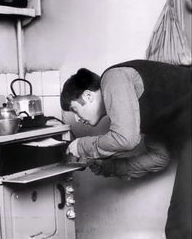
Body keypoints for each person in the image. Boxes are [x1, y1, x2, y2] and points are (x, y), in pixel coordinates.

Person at [60, 59, 191, 239]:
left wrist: (81, 145)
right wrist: (109, 167)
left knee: (181, 227)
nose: (77, 120)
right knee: (182, 225)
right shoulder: (145, 111)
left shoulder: (114, 77)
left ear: (88, 96)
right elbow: (160, 157)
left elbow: (125, 139)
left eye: (75, 110)